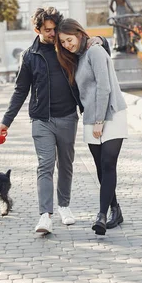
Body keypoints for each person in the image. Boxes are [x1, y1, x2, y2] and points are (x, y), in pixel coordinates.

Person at [0, 7, 109, 234]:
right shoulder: (29, 56)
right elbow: (20, 90)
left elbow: (97, 48)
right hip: (41, 119)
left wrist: (100, 39)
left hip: (68, 117)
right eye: (47, 30)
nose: (52, 33)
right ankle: (45, 216)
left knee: (66, 164)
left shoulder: (67, 48)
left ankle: (64, 206)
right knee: (45, 165)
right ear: (37, 29)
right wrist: (5, 121)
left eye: (55, 29)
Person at [56, 18, 128, 235]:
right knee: (99, 167)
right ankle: (115, 209)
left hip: (112, 114)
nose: (68, 45)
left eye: (69, 40)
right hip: (91, 118)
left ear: (79, 33)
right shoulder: (77, 58)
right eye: (64, 43)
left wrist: (99, 120)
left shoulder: (94, 51)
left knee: (108, 163)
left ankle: (102, 215)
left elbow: (104, 87)